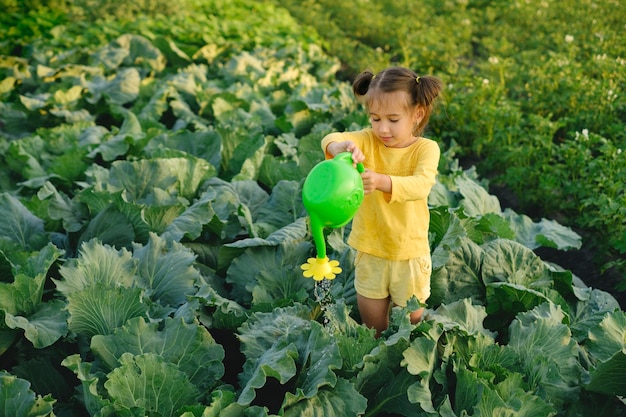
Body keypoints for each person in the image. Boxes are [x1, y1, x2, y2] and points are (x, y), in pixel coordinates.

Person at [321, 66, 443, 337]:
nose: (382, 128)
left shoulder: (426, 149)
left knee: (409, 328)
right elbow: (330, 139)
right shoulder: (367, 140)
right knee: (373, 329)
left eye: (392, 119)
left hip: (409, 254)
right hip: (371, 250)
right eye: (375, 119)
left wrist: (382, 181)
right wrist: (339, 147)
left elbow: (421, 185)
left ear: (417, 114)